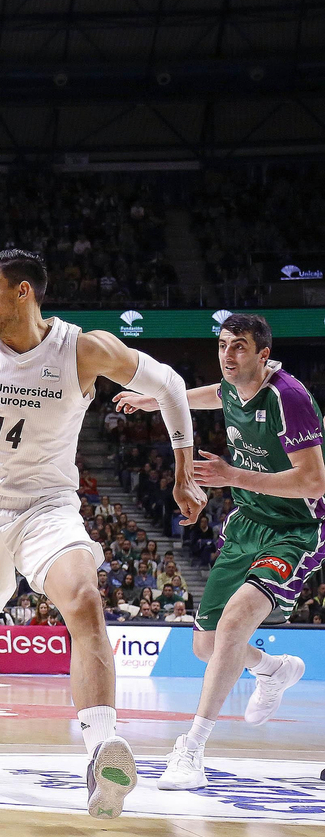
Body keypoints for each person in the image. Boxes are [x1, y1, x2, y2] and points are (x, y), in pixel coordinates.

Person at [0, 248, 204, 820]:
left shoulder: (83, 348)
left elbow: (172, 386)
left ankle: (101, 752)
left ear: (23, 291)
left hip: (46, 506)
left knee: (85, 600)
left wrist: (182, 470)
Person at [116, 314, 319, 791]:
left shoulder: (288, 398)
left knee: (231, 626)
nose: (229, 356)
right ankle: (273, 668)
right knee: (207, 646)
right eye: (224, 345)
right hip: (247, 524)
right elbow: (207, 394)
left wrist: (232, 477)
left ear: (263, 354)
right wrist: (155, 401)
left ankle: (192, 750)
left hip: (296, 529)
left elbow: (314, 481)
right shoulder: (232, 385)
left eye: (240, 347)